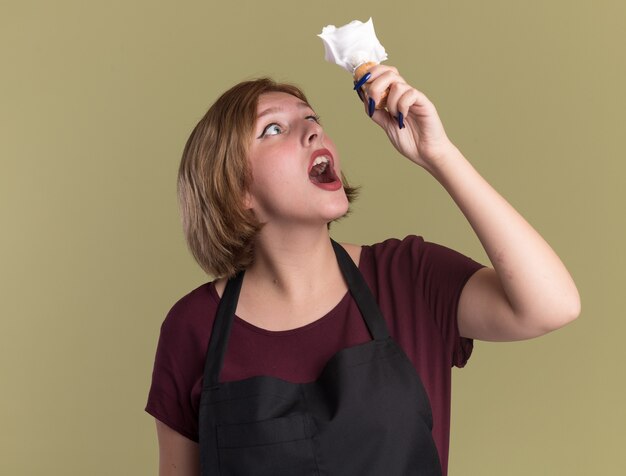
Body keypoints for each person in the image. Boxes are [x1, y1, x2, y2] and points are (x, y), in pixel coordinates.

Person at [146, 65, 580, 475]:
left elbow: (552, 305)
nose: (313, 129)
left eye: (311, 118)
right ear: (235, 187)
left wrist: (438, 155)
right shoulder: (192, 328)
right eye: (273, 128)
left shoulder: (408, 277)